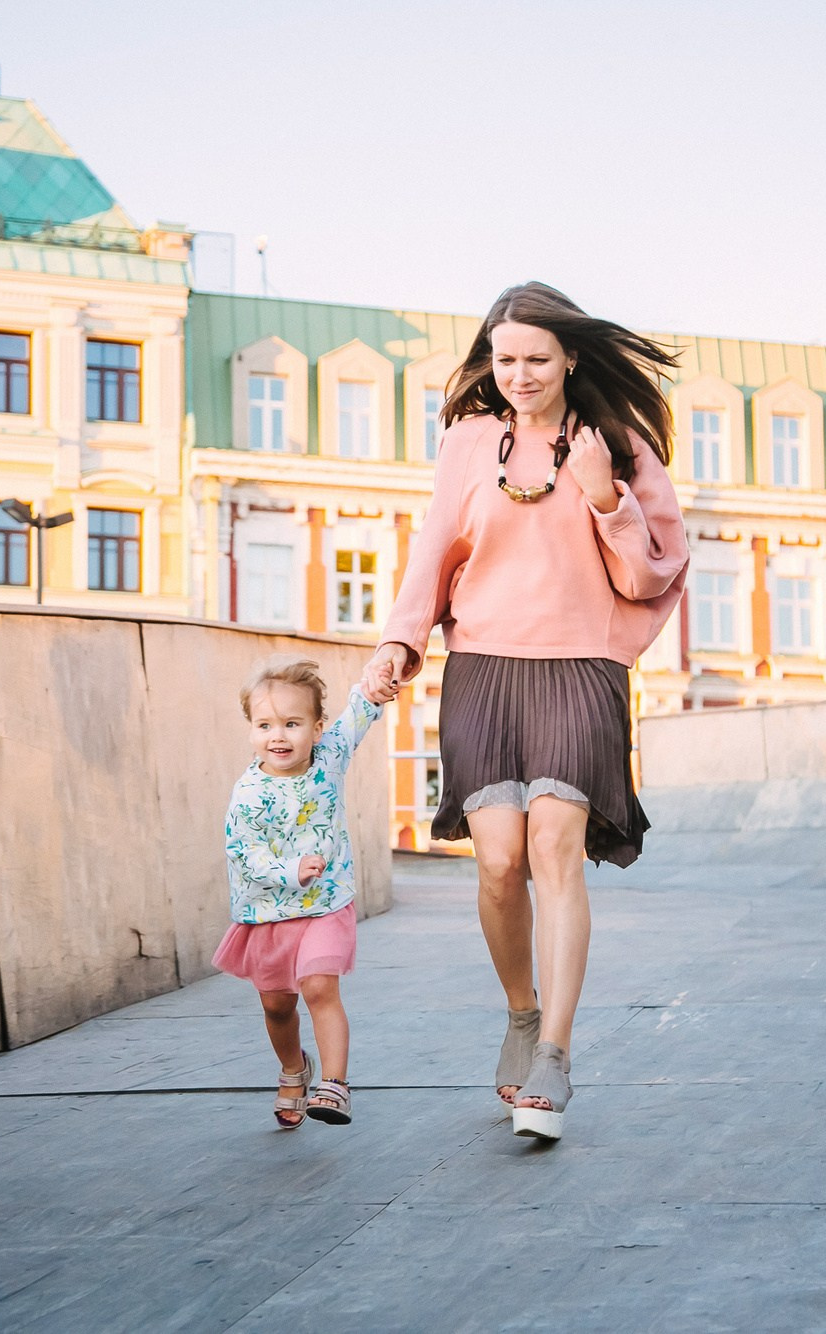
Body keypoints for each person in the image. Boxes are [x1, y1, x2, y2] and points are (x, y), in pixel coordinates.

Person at [363, 281, 688, 1142]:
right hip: (482, 668)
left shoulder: (617, 445)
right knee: (498, 862)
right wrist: (401, 640)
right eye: (504, 359)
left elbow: (655, 574)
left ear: (570, 357)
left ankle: (554, 1053)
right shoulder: (469, 442)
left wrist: (606, 496)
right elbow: (436, 544)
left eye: (536, 358)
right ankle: (518, 1012)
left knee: (554, 850)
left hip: (580, 667)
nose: (519, 374)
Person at [213, 655, 393, 1129]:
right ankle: (294, 1070)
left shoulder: (329, 757)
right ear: (251, 730)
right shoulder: (249, 792)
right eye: (265, 724)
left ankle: (334, 1084)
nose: (278, 736)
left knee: (319, 985)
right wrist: (290, 870)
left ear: (316, 729)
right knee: (277, 1005)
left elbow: (358, 716)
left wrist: (374, 689)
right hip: (269, 911)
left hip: (326, 903)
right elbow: (242, 850)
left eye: (292, 724)